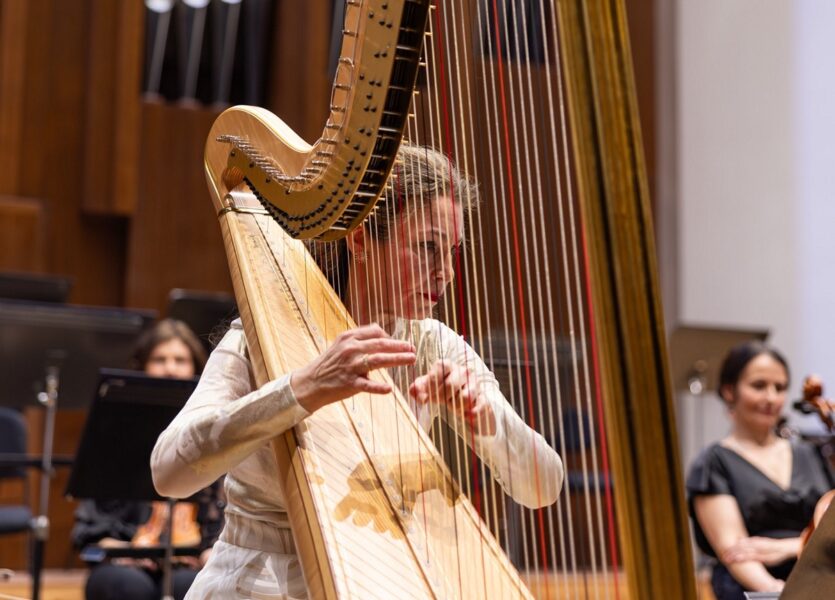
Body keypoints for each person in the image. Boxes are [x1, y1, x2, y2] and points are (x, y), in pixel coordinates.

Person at [151, 144, 564, 598]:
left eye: (451, 251)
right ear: (362, 239)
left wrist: (486, 419)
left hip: (378, 576)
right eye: (427, 247)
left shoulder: (433, 345)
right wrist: (300, 389)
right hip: (253, 582)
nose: (446, 272)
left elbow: (543, 487)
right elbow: (168, 472)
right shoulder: (260, 338)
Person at [72, 319, 224, 600]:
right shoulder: (114, 432)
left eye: (180, 360)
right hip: (125, 557)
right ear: (143, 366)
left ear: (195, 368)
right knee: (127, 587)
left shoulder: (213, 429)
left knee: (191, 586)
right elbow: (93, 531)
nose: (170, 369)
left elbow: (223, 510)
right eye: (160, 359)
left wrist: (210, 552)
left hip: (191, 557)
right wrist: (125, 551)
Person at [686, 341, 835, 599]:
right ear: (729, 391)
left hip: (821, 580)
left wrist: (789, 547)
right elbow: (735, 553)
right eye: (758, 386)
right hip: (755, 588)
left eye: (780, 388)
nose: (771, 398)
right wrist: (781, 592)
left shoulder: (811, 453)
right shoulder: (714, 462)